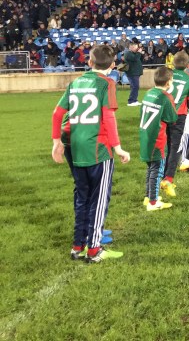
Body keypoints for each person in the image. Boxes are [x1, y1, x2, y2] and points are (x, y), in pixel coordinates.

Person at [51, 45, 131, 263]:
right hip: (98, 149)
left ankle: (78, 245)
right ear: (112, 65)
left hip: (74, 146)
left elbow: (57, 114)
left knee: (82, 195)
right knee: (99, 198)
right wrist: (117, 147)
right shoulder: (107, 83)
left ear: (89, 62)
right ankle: (94, 249)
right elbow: (109, 117)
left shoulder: (75, 82)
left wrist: (56, 142)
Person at [139, 66, 178, 212]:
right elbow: (172, 118)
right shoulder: (165, 96)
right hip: (157, 138)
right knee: (157, 170)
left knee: (151, 168)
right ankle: (153, 202)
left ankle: (148, 197)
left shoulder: (148, 93)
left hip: (145, 135)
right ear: (168, 82)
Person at [160, 51, 189, 197]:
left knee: (163, 144)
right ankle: (168, 178)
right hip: (178, 115)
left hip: (163, 113)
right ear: (188, 65)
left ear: (173, 63)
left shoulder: (168, 75)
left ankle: (158, 175)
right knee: (175, 146)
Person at [124, 39, 144, 106]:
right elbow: (135, 58)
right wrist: (139, 53)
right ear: (131, 47)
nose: (137, 49)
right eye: (135, 48)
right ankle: (131, 101)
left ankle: (134, 100)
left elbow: (138, 58)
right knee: (134, 86)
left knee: (136, 86)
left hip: (135, 73)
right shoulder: (128, 54)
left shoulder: (134, 54)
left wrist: (140, 53)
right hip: (132, 73)